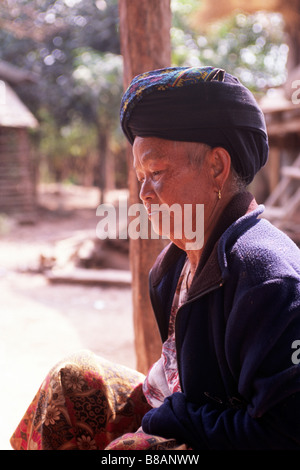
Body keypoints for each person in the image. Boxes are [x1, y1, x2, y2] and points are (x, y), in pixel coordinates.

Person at [10, 66, 300, 451]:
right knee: (73, 379)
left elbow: (282, 434)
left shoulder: (269, 281)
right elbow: (181, 378)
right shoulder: (172, 265)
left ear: (217, 167)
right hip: (192, 413)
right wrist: (162, 413)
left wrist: (166, 425)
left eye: (157, 172)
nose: (144, 193)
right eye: (140, 176)